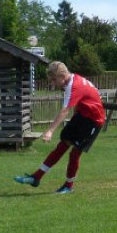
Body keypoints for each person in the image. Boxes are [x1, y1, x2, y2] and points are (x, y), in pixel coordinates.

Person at [14, 61, 105, 194]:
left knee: (75, 153)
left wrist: (50, 131)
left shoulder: (74, 86)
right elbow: (87, 98)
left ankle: (69, 186)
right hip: (81, 116)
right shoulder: (72, 81)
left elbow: (64, 111)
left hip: (93, 121)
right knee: (62, 146)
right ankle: (36, 177)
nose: (53, 83)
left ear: (62, 75)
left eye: (54, 79)